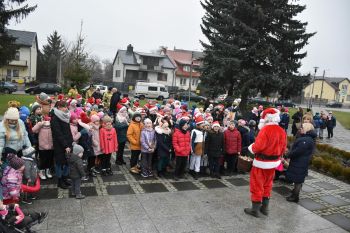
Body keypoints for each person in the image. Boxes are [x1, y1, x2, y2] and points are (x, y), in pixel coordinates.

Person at [244, 108, 287, 218]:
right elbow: (283, 148)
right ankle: (265, 208)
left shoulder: (265, 130)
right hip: (273, 163)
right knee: (268, 184)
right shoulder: (281, 130)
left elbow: (258, 146)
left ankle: (255, 210)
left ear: (265, 119)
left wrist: (250, 148)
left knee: (257, 184)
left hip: (261, 163)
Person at [286, 123, 316, 202]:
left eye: (302, 128)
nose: (300, 129)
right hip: (301, 162)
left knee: (298, 181)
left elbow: (297, 151)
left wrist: (288, 155)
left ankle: (295, 197)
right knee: (298, 180)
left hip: (299, 162)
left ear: (307, 129)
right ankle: (294, 194)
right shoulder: (308, 138)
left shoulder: (305, 140)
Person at [50, 100, 73, 189]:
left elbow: (68, 130)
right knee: (60, 163)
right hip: (60, 144)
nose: (66, 108)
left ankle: (65, 178)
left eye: (66, 106)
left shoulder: (65, 115)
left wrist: (70, 142)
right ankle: (60, 181)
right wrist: (65, 145)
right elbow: (58, 133)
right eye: (64, 107)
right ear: (59, 107)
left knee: (67, 162)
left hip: (68, 142)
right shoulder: (55, 118)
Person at [32, 115, 54, 180]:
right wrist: (40, 124)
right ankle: (41, 172)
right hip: (42, 146)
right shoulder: (40, 126)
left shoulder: (51, 126)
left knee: (49, 160)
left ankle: (47, 171)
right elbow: (33, 130)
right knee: (43, 160)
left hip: (51, 146)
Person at [189, 115, 206, 180]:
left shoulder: (203, 131)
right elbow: (192, 140)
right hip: (195, 147)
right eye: (202, 124)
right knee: (193, 159)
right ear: (198, 124)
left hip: (200, 146)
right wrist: (192, 149)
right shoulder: (194, 131)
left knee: (198, 160)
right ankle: (191, 170)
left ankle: (196, 171)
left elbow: (203, 140)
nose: (203, 125)